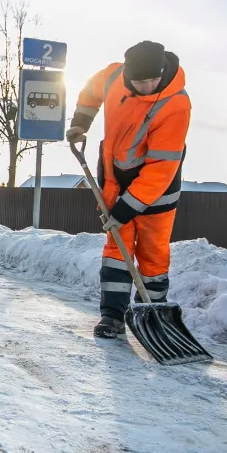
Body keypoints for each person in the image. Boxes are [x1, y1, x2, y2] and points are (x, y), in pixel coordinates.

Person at [66, 41, 191, 339]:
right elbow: (90, 91)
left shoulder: (176, 104)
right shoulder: (112, 77)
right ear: (126, 75)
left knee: (153, 255)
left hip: (157, 190)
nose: (147, 86)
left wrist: (127, 208)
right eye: (139, 81)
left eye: (152, 80)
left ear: (162, 71)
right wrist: (81, 122)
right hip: (115, 179)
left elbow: (162, 166)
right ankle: (112, 316)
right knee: (116, 251)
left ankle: (152, 315)